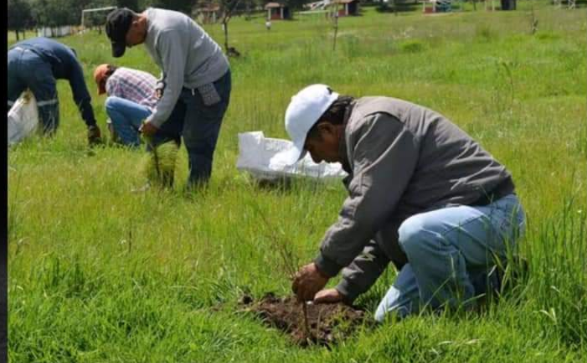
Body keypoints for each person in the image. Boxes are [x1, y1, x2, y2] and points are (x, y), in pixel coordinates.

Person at [276, 84, 526, 321]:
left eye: (312, 148)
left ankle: (458, 318)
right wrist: (346, 288)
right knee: (391, 317)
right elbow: (378, 226)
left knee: (416, 232)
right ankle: (496, 279)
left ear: (327, 129)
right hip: (448, 230)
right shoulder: (362, 138)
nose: (316, 159)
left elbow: (367, 210)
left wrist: (323, 268)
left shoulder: (375, 124)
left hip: (493, 214)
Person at [105, 7, 231, 187]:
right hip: (186, 81)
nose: (130, 46)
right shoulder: (147, 30)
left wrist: (155, 119)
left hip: (209, 82)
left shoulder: (165, 31)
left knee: (196, 139)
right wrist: (160, 83)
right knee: (161, 131)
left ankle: (196, 191)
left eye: (127, 41)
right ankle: (158, 187)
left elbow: (175, 81)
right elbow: (169, 67)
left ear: (136, 24)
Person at [7, 37, 102, 145]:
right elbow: (81, 95)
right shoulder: (72, 60)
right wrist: (91, 124)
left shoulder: (54, 48)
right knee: (48, 107)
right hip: (35, 60)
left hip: (11, 56)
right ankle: (47, 144)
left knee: (8, 103)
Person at [94, 64, 159, 147]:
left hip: (153, 116)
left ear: (104, 79)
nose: (106, 90)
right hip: (166, 115)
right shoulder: (128, 72)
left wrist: (113, 138)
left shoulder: (112, 79)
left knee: (110, 103)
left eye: (103, 87)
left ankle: (134, 145)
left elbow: (115, 115)